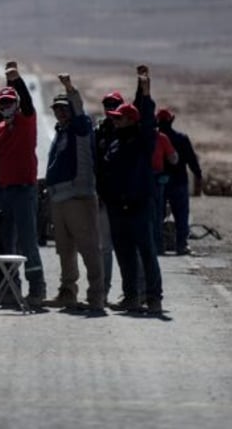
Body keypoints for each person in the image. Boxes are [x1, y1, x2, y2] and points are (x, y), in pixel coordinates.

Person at [99, 65, 163, 315]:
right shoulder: (114, 142)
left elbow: (145, 117)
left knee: (146, 252)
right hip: (117, 207)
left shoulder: (142, 140)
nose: (113, 120)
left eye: (118, 117)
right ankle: (131, 296)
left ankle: (154, 297)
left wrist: (144, 92)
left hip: (139, 205)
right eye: (112, 117)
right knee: (124, 253)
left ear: (130, 120)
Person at [43, 74, 105, 312]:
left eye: (63, 108)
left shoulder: (81, 129)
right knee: (65, 249)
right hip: (60, 198)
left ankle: (96, 296)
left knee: (89, 247)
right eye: (57, 109)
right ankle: (68, 292)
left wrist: (69, 88)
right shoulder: (62, 131)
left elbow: (79, 110)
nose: (60, 112)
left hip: (78, 197)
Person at [0, 61, 46, 308]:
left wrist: (14, 79)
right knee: (6, 242)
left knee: (27, 240)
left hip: (24, 190)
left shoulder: (27, 121)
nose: (5, 107)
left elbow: (25, 98)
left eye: (9, 102)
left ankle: (37, 289)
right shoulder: (0, 128)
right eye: (2, 103)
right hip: (4, 191)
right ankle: (10, 290)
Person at [156, 108, 203, 255]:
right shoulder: (181, 139)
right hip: (179, 182)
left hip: (159, 182)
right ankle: (181, 245)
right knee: (181, 215)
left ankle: (158, 246)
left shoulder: (154, 138)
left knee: (157, 214)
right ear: (171, 120)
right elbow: (191, 159)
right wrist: (198, 175)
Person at [92, 91, 123, 303]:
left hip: (124, 197)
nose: (110, 109)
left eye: (114, 105)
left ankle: (135, 291)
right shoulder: (100, 131)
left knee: (128, 245)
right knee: (104, 247)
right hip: (103, 196)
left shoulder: (128, 131)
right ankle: (102, 290)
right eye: (107, 105)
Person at [150, 125, 179, 255]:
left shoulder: (137, 136)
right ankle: (158, 246)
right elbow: (173, 159)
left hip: (141, 178)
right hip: (156, 179)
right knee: (157, 213)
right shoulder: (161, 138)